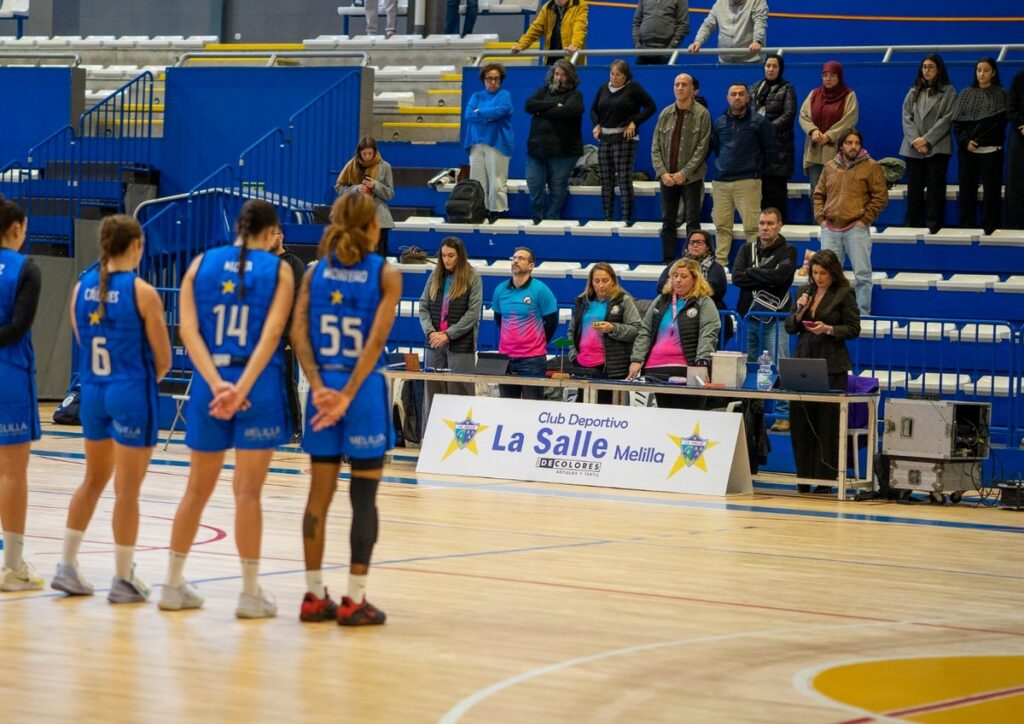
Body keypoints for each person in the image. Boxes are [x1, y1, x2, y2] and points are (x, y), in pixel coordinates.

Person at [157, 200, 294, 618]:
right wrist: (241, 388)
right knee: (248, 493)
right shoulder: (280, 270)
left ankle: (171, 585)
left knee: (196, 490)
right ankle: (250, 594)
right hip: (257, 385)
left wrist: (218, 385)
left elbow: (187, 331)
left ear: (238, 228)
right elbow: (273, 334)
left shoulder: (200, 264)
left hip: (210, 384)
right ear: (270, 233)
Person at [291, 191, 401, 626]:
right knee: (364, 499)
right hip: (362, 391)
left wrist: (320, 388)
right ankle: (355, 600)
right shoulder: (385, 273)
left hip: (324, 389)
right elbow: (375, 342)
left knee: (317, 499)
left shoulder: (315, 272)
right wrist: (348, 394)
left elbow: (298, 334)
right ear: (373, 226)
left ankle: (314, 595)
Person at [49, 216, 171, 602]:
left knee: (92, 479)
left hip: (94, 393)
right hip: (130, 391)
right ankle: (123, 577)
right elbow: (164, 359)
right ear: (135, 246)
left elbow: (83, 341)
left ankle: (66, 565)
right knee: (127, 490)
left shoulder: (81, 288)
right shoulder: (143, 292)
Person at [783, 249, 860, 492]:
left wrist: (828, 329)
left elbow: (853, 328)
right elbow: (789, 327)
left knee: (828, 423)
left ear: (833, 273)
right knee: (801, 422)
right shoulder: (803, 292)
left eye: (823, 273)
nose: (818, 278)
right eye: (815, 273)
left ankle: (826, 480)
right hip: (804, 360)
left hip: (831, 364)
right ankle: (803, 477)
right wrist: (799, 312)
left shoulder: (844, 293)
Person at [0, 197, 44, 593]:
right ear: (16, 228)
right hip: (9, 374)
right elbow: (17, 327)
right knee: (12, 472)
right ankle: (12, 567)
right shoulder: (25, 268)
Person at [731, 208, 796, 431]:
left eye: (770, 223)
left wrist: (752, 272)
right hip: (748, 315)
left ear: (779, 225)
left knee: (779, 365)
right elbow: (737, 277)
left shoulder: (788, 250)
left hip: (776, 318)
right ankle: (752, 412)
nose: (765, 228)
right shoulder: (746, 249)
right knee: (749, 367)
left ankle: (783, 415)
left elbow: (781, 278)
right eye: (762, 223)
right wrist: (766, 275)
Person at [628, 258, 720, 410]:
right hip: (655, 369)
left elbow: (708, 334)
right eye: (675, 276)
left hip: (685, 370)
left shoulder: (704, 302)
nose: (678, 280)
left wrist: (702, 362)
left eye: (684, 276)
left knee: (687, 417)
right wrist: (637, 359)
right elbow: (645, 330)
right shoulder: (661, 300)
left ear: (695, 279)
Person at [813, 128, 887, 316]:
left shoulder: (871, 166)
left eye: (857, 143)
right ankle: (830, 314)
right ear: (841, 145)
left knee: (862, 275)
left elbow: (880, 197)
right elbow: (819, 194)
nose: (853, 146)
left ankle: (863, 314)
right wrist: (821, 219)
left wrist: (865, 219)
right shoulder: (829, 166)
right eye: (849, 143)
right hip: (830, 228)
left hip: (856, 228)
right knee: (828, 274)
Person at [709, 82, 778, 268]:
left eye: (741, 94)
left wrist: (755, 170)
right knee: (721, 226)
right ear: (727, 98)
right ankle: (720, 264)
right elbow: (716, 148)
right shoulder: (719, 123)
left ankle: (754, 264)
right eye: (733, 94)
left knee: (752, 228)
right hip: (721, 182)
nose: (737, 97)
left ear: (748, 97)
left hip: (748, 181)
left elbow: (771, 151)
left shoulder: (760, 122)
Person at [418, 236, 483, 414]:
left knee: (460, 394)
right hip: (434, 343)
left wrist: (448, 334)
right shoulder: (434, 275)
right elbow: (423, 306)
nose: (446, 259)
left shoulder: (473, 277)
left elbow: (472, 314)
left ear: (460, 256)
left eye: (451, 255)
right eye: (443, 255)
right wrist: (430, 332)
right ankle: (430, 431)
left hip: (461, 346)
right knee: (432, 394)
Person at [652, 73, 711, 262]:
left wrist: (684, 173)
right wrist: (662, 173)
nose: (679, 88)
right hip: (667, 178)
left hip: (691, 178)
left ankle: (693, 261)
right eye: (676, 84)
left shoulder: (702, 114)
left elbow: (702, 148)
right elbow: (655, 146)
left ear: (693, 89)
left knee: (692, 221)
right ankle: (668, 261)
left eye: (684, 84)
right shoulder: (665, 114)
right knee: (668, 220)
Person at [590, 59, 656, 226]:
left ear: (626, 76)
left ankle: (626, 218)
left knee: (623, 179)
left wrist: (635, 122)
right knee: (605, 179)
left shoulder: (633, 88)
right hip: (605, 137)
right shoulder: (603, 88)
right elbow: (593, 109)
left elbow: (651, 106)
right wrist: (596, 124)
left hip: (625, 138)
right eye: (612, 74)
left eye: (618, 75)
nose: (614, 77)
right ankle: (607, 217)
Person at [900, 54, 956, 234]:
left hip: (937, 147)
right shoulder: (913, 91)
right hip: (914, 148)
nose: (927, 70)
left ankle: (934, 226)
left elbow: (947, 118)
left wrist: (926, 139)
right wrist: (916, 140)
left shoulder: (948, 91)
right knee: (914, 190)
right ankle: (912, 225)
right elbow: (906, 117)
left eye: (931, 67)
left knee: (935, 189)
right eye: (924, 67)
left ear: (938, 70)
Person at [568, 263, 641, 403]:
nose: (601, 285)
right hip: (582, 365)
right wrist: (573, 355)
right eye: (597, 281)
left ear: (613, 280)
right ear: (591, 282)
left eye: (605, 280)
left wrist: (613, 328)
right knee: (583, 410)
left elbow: (637, 329)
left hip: (611, 368)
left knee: (609, 411)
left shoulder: (623, 300)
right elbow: (572, 331)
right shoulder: (583, 302)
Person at [492, 247, 559, 400]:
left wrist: (537, 343)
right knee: (507, 407)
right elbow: (499, 319)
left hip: (532, 359)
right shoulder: (500, 290)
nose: (516, 261)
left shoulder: (541, 290)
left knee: (532, 407)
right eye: (514, 258)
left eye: (521, 258)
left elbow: (552, 322)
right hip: (505, 359)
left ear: (531, 265)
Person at [524, 59, 585, 224]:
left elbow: (568, 111)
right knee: (534, 186)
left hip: (563, 152)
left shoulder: (575, 95)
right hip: (536, 149)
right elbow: (529, 105)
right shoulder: (543, 91)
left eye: (563, 75)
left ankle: (552, 220)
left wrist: (541, 111)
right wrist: (553, 104)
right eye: (557, 74)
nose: (559, 78)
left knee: (557, 188)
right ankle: (537, 220)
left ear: (570, 77)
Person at [952, 57, 1008, 236]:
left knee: (991, 194)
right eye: (979, 70)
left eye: (986, 70)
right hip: (967, 152)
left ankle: (990, 230)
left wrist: (979, 141)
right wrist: (965, 142)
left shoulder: (1001, 94)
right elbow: (957, 125)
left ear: (994, 73)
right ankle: (966, 229)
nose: (981, 74)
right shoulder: (966, 94)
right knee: (967, 192)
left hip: (991, 151)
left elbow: (999, 124)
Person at [463, 63, 513, 224]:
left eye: (496, 79)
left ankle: (496, 212)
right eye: (489, 78)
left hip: (497, 142)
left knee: (496, 181)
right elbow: (468, 115)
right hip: (476, 143)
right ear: (483, 80)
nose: (493, 82)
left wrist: (480, 113)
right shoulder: (476, 96)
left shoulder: (504, 95)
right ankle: (480, 211)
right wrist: (488, 116)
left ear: (501, 80)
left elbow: (502, 110)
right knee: (477, 181)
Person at [749, 54, 797, 221]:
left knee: (776, 197)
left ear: (780, 69)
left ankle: (778, 230)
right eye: (768, 66)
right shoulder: (755, 87)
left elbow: (788, 115)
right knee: (758, 198)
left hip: (779, 150)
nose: (770, 69)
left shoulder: (787, 88)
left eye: (774, 66)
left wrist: (766, 130)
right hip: (757, 152)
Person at [800, 61, 859, 191]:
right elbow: (803, 115)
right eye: (825, 75)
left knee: (837, 192)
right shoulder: (814, 94)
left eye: (832, 75)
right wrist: (813, 130)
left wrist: (829, 136)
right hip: (815, 151)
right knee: (817, 192)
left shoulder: (848, 95)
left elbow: (849, 120)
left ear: (839, 77)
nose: (828, 79)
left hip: (837, 151)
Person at [273, 227, 308, 442]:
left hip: (285, 333)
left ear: (282, 236)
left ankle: (294, 427)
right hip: (260, 333)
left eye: (275, 233)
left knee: (286, 380)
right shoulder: (260, 262)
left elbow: (294, 296)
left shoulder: (293, 263)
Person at [334, 136, 394, 256]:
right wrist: (356, 189)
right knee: (357, 256)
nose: (367, 156)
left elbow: (390, 194)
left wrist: (375, 185)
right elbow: (339, 187)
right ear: (359, 153)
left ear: (375, 152)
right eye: (364, 154)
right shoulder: (351, 165)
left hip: (379, 220)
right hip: (356, 217)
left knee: (378, 257)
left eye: (370, 153)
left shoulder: (385, 167)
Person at [657, 229, 727, 311]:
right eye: (692, 242)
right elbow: (661, 286)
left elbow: (716, 289)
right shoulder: (675, 264)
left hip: (706, 308)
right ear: (687, 245)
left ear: (708, 246)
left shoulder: (716, 267)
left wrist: (683, 289)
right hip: (676, 306)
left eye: (699, 242)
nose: (695, 245)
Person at [687, 0, 767, 64]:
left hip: (751, 62)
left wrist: (757, 41)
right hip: (725, 62)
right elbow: (708, 25)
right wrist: (697, 42)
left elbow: (760, 22)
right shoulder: (719, 3)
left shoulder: (757, 1)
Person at [511, 0, 589, 66]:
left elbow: (580, 28)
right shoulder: (547, 7)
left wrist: (575, 45)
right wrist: (521, 45)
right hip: (551, 61)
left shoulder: (580, 4)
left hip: (571, 61)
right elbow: (535, 29)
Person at [632, 0, 689, 65]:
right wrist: (638, 45)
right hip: (643, 51)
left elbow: (684, 25)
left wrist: (671, 48)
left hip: (666, 53)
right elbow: (637, 21)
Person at [1008, 68, 1024, 230]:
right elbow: (1011, 108)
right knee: (1018, 181)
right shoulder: (1019, 78)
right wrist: (1021, 124)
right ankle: (1016, 226)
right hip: (1020, 136)